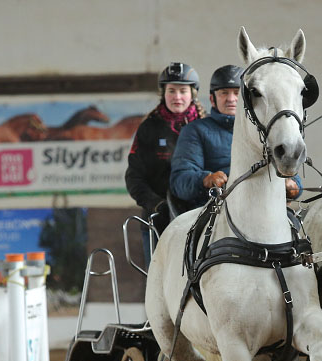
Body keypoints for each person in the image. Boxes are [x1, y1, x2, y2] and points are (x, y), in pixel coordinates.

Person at [170, 64, 301, 211]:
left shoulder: (265, 130)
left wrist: (294, 185)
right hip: (215, 211)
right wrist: (206, 179)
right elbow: (179, 182)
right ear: (212, 99)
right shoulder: (194, 131)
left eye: (236, 93)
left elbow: (288, 168)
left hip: (266, 208)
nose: (231, 99)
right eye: (224, 93)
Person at [125, 62, 205, 263]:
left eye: (182, 91)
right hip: (158, 219)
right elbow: (134, 176)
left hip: (200, 217)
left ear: (192, 94)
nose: (177, 97)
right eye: (171, 91)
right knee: (158, 284)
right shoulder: (148, 128)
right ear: (163, 93)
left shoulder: (206, 126)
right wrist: (154, 204)